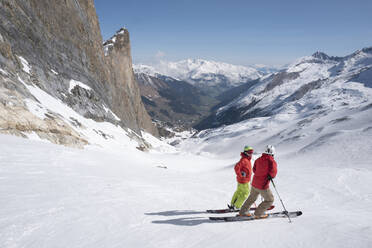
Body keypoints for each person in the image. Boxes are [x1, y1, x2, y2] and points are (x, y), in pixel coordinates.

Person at [238, 145, 277, 218]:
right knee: (270, 200)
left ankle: (243, 212)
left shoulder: (258, 159)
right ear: (272, 152)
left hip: (254, 183)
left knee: (252, 198)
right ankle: (259, 213)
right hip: (263, 185)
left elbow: (254, 170)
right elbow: (273, 173)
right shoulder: (271, 161)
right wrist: (269, 176)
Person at [228, 145, 254, 210]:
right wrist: (240, 175)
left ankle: (233, 204)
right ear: (246, 152)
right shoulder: (244, 160)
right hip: (244, 180)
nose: (251, 154)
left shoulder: (246, 159)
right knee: (245, 193)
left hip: (241, 180)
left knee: (239, 192)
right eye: (250, 152)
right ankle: (237, 206)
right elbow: (236, 167)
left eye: (252, 152)